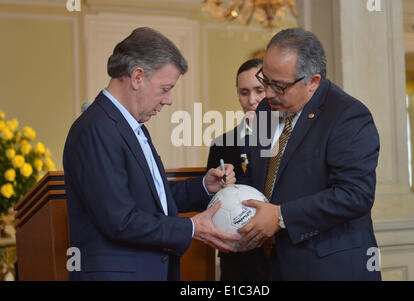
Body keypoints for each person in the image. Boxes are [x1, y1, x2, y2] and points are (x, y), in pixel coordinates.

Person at [63, 27, 238, 281]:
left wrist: (204, 187)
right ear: (137, 77)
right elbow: (120, 220)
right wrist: (191, 228)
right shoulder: (96, 129)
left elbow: (152, 201)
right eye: (165, 88)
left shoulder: (131, 127)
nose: (168, 100)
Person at [237, 28, 382, 280]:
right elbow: (261, 178)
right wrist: (234, 187)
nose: (268, 93)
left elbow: (355, 195)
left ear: (312, 82)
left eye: (279, 86)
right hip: (270, 266)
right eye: (265, 80)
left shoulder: (348, 116)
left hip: (329, 268)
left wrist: (282, 216)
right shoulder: (264, 110)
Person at [206, 58, 266, 280]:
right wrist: (221, 189)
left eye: (259, 90)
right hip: (237, 257)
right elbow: (210, 202)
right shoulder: (221, 144)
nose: (252, 100)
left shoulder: (291, 138)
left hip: (281, 254)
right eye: (244, 92)